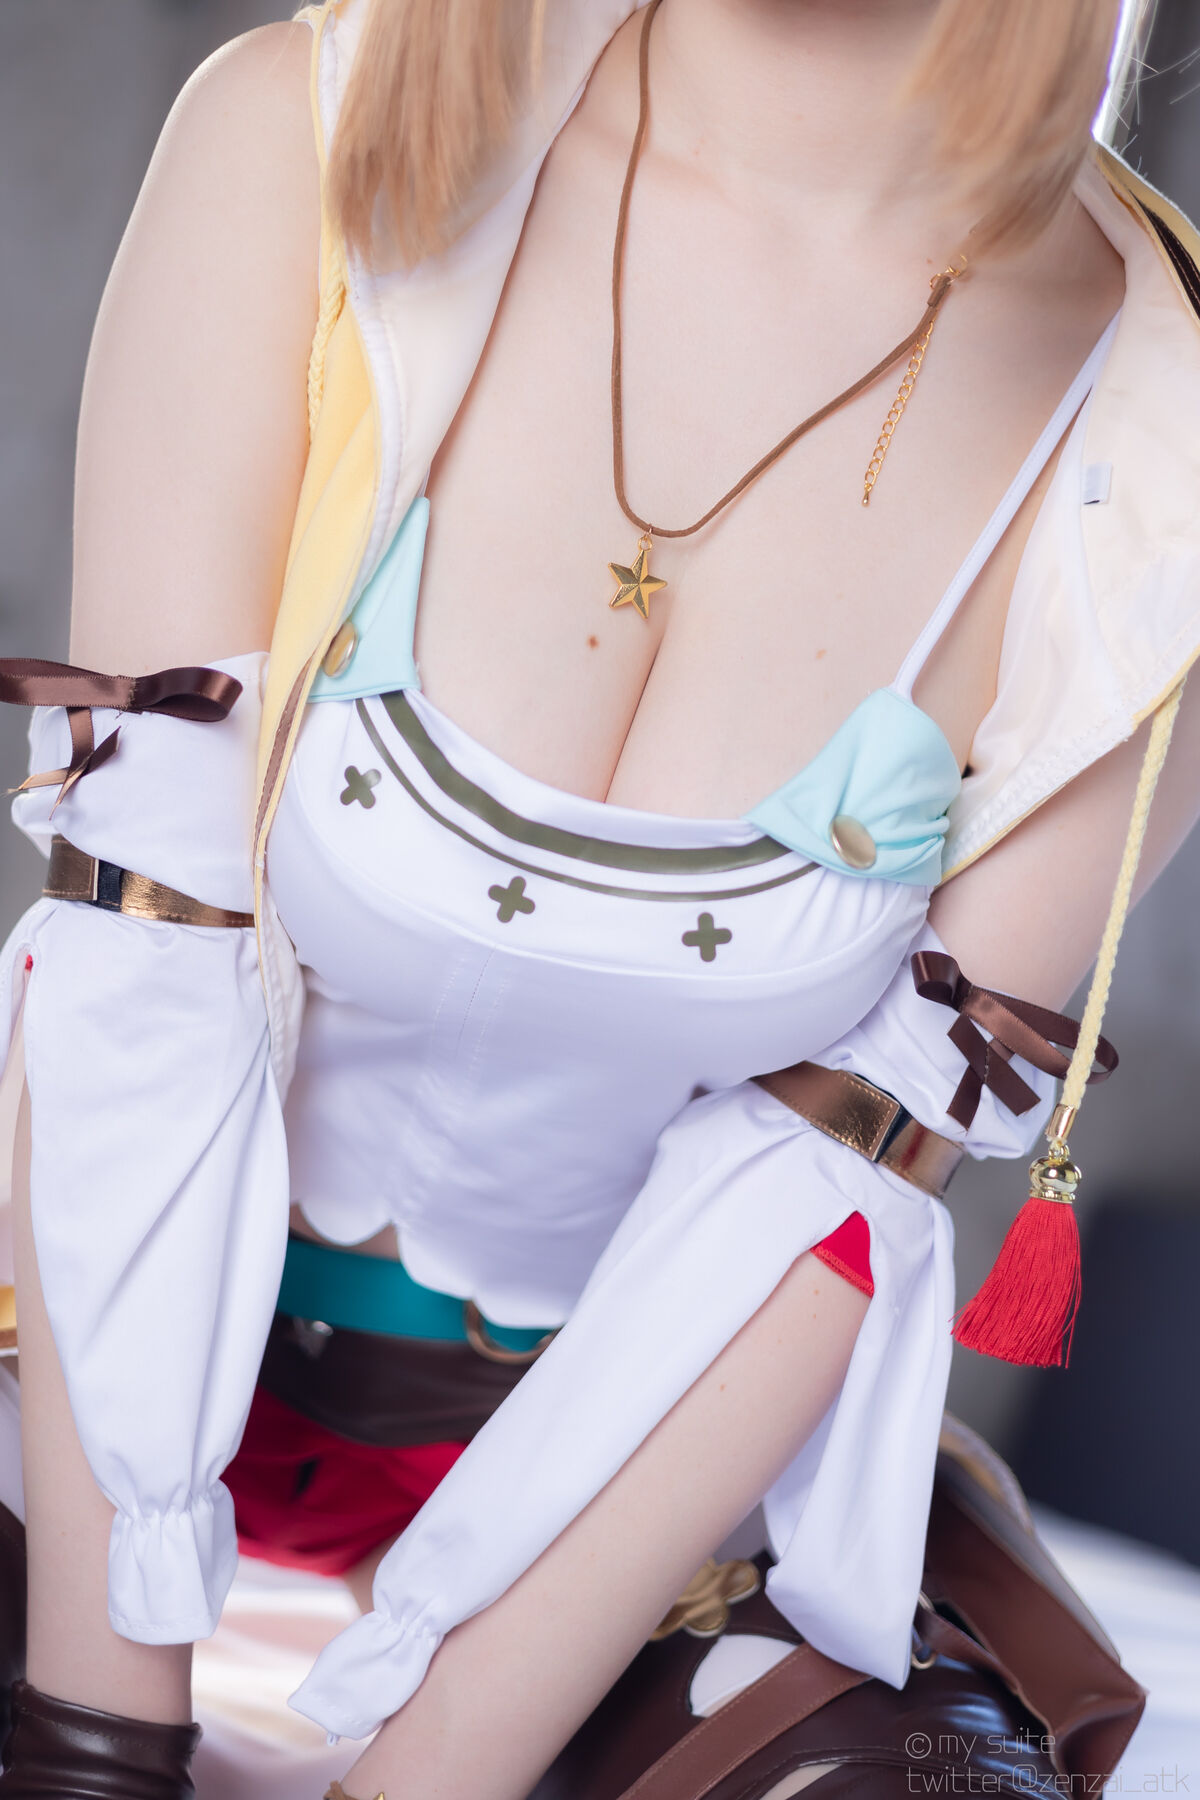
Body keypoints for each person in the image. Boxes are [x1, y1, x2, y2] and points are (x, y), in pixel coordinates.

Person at [1, 0, 1199, 1794]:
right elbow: (138, 963)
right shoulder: (301, 133)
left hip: (642, 1498)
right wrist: (91, 1751)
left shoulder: (1166, 431)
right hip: (63, 1365)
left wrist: (430, 1777)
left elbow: (846, 1190)